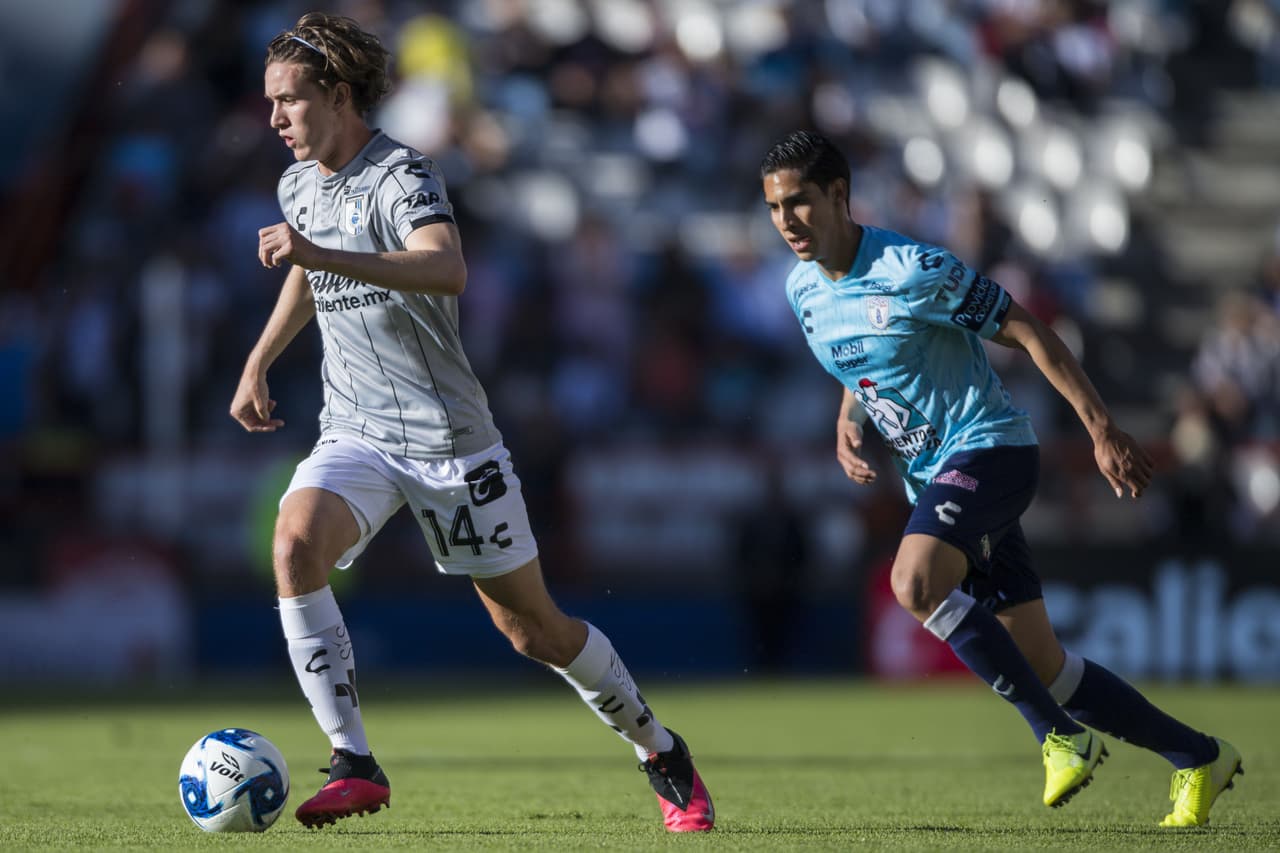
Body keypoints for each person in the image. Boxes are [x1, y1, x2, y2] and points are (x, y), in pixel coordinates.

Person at [230, 13, 713, 832]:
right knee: (293, 541)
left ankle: (659, 746)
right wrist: (258, 361)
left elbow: (444, 267)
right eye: (270, 101)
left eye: (290, 101)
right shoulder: (298, 183)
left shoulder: (401, 173)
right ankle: (354, 761)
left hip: (449, 442)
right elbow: (307, 279)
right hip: (356, 428)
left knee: (535, 632)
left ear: (340, 96)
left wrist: (317, 255)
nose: (274, 118)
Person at [760, 130, 1242, 827]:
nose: (786, 222)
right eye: (774, 209)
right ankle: (1199, 756)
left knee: (913, 581)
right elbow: (859, 360)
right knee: (1044, 664)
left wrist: (1099, 425)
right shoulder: (803, 288)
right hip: (934, 477)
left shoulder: (912, 267)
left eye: (798, 203)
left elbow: (1027, 328)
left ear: (839, 195)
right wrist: (848, 415)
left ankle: (1059, 738)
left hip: (991, 449)